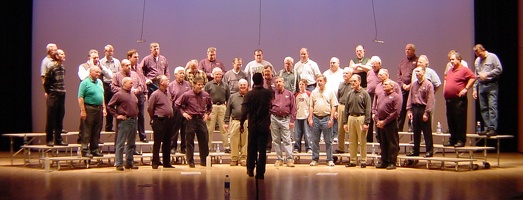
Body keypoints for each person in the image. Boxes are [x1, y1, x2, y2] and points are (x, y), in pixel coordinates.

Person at [240, 73, 274, 179]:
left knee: (251, 148)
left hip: (253, 125)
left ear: (253, 82)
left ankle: (250, 170)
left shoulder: (249, 95)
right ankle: (260, 173)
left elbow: (244, 111)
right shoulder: (267, 93)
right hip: (264, 125)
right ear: (262, 81)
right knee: (262, 150)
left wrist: (241, 124)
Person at [111, 59, 145, 156]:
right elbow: (113, 87)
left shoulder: (134, 74)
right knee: (120, 136)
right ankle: (117, 155)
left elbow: (141, 86)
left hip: (133, 104)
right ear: (122, 66)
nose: (129, 67)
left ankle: (131, 155)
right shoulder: (117, 75)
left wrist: (135, 90)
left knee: (132, 137)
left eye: (130, 65)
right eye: (127, 65)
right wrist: (124, 90)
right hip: (123, 109)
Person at [77, 49, 112, 144]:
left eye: (97, 57)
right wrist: (91, 67)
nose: (96, 59)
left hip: (98, 101)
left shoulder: (99, 67)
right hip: (88, 100)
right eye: (94, 58)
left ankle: (95, 143)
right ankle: (82, 141)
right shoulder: (83, 66)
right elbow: (83, 77)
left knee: (97, 125)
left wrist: (101, 67)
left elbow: (110, 76)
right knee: (86, 124)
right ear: (89, 58)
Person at [176, 77, 212, 168]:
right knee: (190, 141)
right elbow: (177, 104)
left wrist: (207, 114)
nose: (200, 86)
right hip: (191, 119)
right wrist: (183, 113)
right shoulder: (187, 95)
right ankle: (190, 161)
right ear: (194, 85)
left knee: (204, 140)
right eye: (198, 85)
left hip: (201, 119)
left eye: (202, 85)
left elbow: (210, 106)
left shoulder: (206, 95)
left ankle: (204, 161)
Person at [443, 52, 476, 147]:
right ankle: (452, 139)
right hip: (449, 100)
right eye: (450, 60)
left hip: (459, 99)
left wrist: (465, 89)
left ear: (459, 59)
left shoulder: (464, 70)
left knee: (460, 119)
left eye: (453, 59)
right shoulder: (450, 70)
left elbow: (473, 77)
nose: (451, 61)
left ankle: (461, 140)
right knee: (451, 120)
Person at [107, 77, 139, 170]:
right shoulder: (119, 94)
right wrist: (117, 116)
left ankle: (129, 162)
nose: (132, 85)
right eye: (130, 83)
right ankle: (119, 163)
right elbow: (110, 106)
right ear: (124, 83)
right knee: (121, 143)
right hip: (125, 121)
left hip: (134, 120)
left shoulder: (132, 94)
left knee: (131, 143)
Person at [473, 44, 503, 136]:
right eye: (477, 55)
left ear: (483, 50)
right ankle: (487, 127)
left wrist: (488, 74)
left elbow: (499, 69)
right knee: (483, 108)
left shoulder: (492, 57)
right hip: (481, 86)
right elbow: (476, 75)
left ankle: (493, 128)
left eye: (480, 54)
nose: (479, 56)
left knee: (492, 106)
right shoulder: (477, 60)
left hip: (491, 84)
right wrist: (474, 88)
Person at [308, 74, 338, 167]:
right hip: (316, 118)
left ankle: (329, 159)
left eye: (321, 81)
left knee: (328, 140)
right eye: (318, 81)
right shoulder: (314, 92)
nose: (319, 82)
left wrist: (331, 118)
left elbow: (334, 105)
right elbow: (311, 105)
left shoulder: (330, 92)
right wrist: (310, 118)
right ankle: (314, 159)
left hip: (326, 118)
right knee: (315, 140)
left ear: (325, 81)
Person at [343, 74, 371, 168]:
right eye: (352, 81)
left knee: (362, 140)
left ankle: (363, 160)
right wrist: (345, 122)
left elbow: (368, 109)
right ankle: (353, 160)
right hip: (351, 118)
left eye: (354, 81)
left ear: (359, 82)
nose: (353, 83)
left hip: (361, 118)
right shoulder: (349, 94)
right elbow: (346, 109)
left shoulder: (364, 93)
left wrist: (366, 122)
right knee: (352, 141)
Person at [406, 67, 435, 158]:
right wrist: (409, 110)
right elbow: (410, 97)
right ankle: (416, 150)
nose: (417, 73)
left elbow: (430, 99)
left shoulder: (428, 84)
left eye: (418, 71)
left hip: (423, 108)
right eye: (416, 71)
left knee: (427, 132)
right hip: (415, 108)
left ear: (423, 72)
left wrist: (427, 112)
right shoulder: (414, 84)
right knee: (416, 131)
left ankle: (429, 151)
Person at [78, 66, 106, 158]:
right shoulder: (84, 83)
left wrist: (104, 108)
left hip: (99, 108)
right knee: (87, 130)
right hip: (89, 108)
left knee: (97, 130)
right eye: (96, 72)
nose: (98, 74)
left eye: (99, 72)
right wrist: (83, 110)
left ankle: (94, 149)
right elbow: (80, 97)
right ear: (90, 72)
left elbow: (102, 96)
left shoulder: (100, 82)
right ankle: (85, 150)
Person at [147, 75, 175, 169]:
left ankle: (166, 162)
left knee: (167, 142)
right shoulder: (155, 94)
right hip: (159, 120)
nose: (168, 81)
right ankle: (155, 162)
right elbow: (150, 108)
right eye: (166, 80)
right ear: (161, 83)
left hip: (168, 120)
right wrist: (154, 118)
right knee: (158, 142)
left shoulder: (168, 93)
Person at [374, 80, 402, 170]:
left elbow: (396, 112)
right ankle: (384, 161)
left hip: (390, 123)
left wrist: (385, 122)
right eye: (383, 84)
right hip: (381, 122)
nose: (384, 86)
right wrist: (378, 120)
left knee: (392, 143)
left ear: (392, 86)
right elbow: (378, 108)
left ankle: (392, 162)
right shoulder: (381, 95)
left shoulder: (396, 97)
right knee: (383, 143)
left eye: (386, 84)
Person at [270, 76, 297, 167]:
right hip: (274, 118)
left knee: (287, 140)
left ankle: (289, 159)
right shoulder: (272, 94)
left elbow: (293, 108)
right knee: (276, 140)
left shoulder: (289, 94)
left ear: (283, 83)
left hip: (285, 119)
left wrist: (292, 121)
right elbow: (268, 107)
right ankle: (279, 159)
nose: (278, 83)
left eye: (280, 81)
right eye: (276, 82)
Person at [43, 49, 67, 147]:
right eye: (61, 54)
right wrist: (50, 92)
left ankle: (58, 139)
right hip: (53, 94)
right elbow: (46, 82)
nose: (64, 55)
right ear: (56, 56)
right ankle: (49, 139)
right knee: (51, 117)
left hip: (62, 93)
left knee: (60, 116)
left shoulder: (62, 68)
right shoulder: (52, 67)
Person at [204, 68, 230, 153]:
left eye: (220, 74)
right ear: (213, 75)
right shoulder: (208, 85)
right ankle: (208, 147)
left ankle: (226, 147)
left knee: (224, 128)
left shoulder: (225, 85)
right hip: (212, 107)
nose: (218, 76)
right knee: (210, 128)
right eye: (216, 74)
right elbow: (204, 98)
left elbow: (228, 98)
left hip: (222, 107)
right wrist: (206, 112)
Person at [224, 79, 249, 166]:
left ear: (247, 86)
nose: (242, 86)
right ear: (238, 86)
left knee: (245, 141)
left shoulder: (250, 96)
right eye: (241, 84)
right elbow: (228, 110)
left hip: (246, 122)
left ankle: (243, 159)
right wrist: (226, 122)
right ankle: (234, 159)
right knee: (234, 140)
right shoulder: (233, 96)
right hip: (235, 121)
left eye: (244, 84)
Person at [168, 66, 192, 154]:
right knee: (174, 129)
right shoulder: (171, 85)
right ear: (175, 75)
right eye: (180, 73)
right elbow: (169, 98)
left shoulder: (188, 84)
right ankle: (172, 147)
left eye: (183, 73)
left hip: (186, 109)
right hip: (176, 109)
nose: (182, 74)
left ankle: (184, 148)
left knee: (185, 130)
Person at [127, 49, 148, 143]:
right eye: (135, 57)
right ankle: (132, 136)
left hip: (140, 94)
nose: (137, 58)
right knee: (132, 116)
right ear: (129, 57)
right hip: (130, 95)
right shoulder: (126, 68)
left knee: (141, 115)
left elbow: (143, 80)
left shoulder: (139, 67)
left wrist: (145, 92)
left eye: (138, 56)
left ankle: (142, 135)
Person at [397, 44, 419, 132]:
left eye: (409, 49)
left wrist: (410, 85)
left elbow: (418, 75)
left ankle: (411, 127)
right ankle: (399, 127)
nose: (407, 51)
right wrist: (403, 85)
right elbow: (399, 75)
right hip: (403, 88)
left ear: (413, 51)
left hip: (413, 89)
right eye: (406, 49)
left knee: (412, 108)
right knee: (402, 108)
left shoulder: (417, 61)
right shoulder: (402, 62)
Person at [100, 45, 121, 132]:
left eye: (112, 51)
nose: (111, 53)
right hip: (106, 85)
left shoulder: (117, 62)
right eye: (109, 51)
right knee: (108, 105)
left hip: (115, 85)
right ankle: (108, 126)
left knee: (117, 105)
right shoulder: (101, 62)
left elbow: (119, 73)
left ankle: (118, 126)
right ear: (105, 51)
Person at [324, 57, 344, 143]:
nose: (332, 64)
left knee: (337, 117)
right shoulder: (326, 73)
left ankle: (335, 135)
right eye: (331, 62)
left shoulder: (342, 72)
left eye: (334, 63)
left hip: (339, 98)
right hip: (328, 99)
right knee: (329, 117)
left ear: (338, 63)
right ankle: (328, 135)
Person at [335, 67, 353, 153]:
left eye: (347, 73)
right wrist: (336, 110)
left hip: (350, 108)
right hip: (341, 106)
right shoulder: (341, 84)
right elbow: (338, 97)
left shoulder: (353, 85)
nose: (345, 75)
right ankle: (341, 148)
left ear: (351, 75)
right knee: (340, 129)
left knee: (350, 130)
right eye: (344, 73)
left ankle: (351, 149)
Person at [366, 56, 382, 142]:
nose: (373, 67)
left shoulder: (382, 72)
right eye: (372, 65)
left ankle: (379, 140)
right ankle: (368, 140)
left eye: (375, 65)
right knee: (369, 118)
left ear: (379, 64)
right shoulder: (369, 72)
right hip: (369, 96)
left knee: (376, 117)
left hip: (379, 97)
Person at [293, 79, 312, 154]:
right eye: (300, 84)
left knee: (307, 134)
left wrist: (310, 116)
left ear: (306, 85)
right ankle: (297, 148)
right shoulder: (296, 95)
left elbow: (311, 105)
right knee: (297, 134)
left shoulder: (308, 94)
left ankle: (308, 148)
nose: (301, 86)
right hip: (298, 116)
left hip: (305, 116)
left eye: (302, 84)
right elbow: (294, 105)